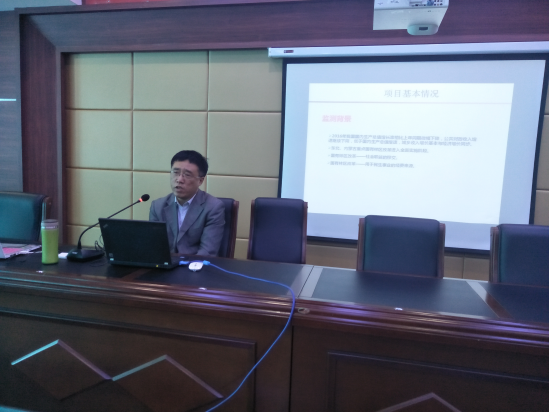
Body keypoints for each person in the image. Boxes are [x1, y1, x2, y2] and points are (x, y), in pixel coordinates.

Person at [149, 150, 225, 256]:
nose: (179, 179)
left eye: (187, 175)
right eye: (175, 172)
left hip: (196, 264)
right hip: (166, 264)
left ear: (200, 180)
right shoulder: (157, 206)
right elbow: (154, 246)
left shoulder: (213, 207)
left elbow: (208, 251)